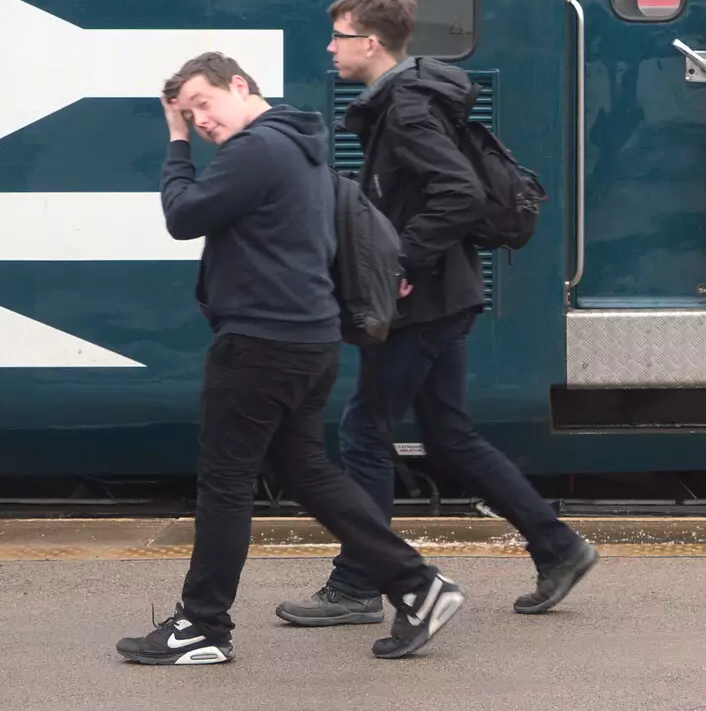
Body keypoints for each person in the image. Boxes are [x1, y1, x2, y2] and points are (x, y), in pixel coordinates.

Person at [116, 53, 464, 666]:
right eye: (188, 114)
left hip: (260, 342)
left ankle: (201, 626)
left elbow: (182, 216)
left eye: (204, 103)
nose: (199, 120)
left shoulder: (257, 150)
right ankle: (417, 586)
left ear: (241, 85)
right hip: (307, 340)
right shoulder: (302, 145)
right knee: (309, 473)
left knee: (224, 482)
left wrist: (173, 144)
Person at [276, 0, 596, 628]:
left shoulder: (408, 110)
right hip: (445, 295)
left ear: (370, 43)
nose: (331, 48)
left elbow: (458, 194)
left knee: (365, 433)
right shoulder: (404, 102)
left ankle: (359, 582)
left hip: (421, 302)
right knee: (450, 435)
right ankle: (558, 547)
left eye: (339, 36)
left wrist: (399, 262)